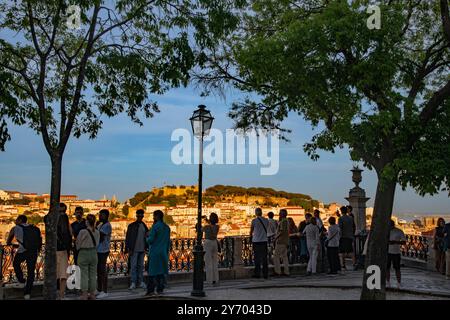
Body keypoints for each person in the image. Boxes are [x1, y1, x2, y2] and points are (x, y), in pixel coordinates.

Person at [6, 215, 42, 300]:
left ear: (20, 220)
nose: (15, 221)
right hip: (33, 251)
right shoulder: (34, 228)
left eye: (17, 219)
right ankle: (27, 293)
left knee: (16, 264)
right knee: (31, 271)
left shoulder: (16, 228)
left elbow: (8, 241)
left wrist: (12, 244)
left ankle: (21, 280)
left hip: (23, 251)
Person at [146, 210, 171, 296]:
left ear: (156, 217)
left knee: (152, 272)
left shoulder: (155, 226)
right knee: (161, 272)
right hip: (163, 252)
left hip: (155, 252)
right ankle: (160, 289)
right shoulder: (167, 227)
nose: (153, 218)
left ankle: (151, 290)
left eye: (154, 216)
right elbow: (168, 242)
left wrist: (146, 237)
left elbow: (151, 240)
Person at [76, 214, 100, 300]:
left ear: (87, 222)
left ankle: (84, 295)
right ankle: (92, 294)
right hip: (94, 253)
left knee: (84, 275)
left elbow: (77, 244)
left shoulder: (83, 231)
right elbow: (97, 244)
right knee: (93, 275)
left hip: (84, 253)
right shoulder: (97, 232)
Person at [125, 209, 149, 290]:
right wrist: (128, 249)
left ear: (142, 216)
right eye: (138, 215)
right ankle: (133, 282)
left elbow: (147, 237)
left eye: (141, 216)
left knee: (140, 266)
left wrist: (146, 247)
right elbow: (127, 238)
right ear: (136, 216)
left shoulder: (144, 226)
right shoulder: (131, 226)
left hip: (142, 249)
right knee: (134, 266)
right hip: (134, 249)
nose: (140, 217)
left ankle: (140, 282)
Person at [56, 203, 72, 299]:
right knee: (62, 274)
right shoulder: (65, 219)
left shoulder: (55, 219)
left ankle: (60, 294)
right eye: (60, 211)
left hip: (60, 250)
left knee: (61, 274)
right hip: (62, 250)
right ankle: (61, 295)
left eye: (63, 211)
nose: (62, 213)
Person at [96, 209, 112, 299]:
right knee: (99, 271)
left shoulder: (107, 225)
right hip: (99, 250)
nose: (100, 216)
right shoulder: (101, 224)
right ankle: (99, 289)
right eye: (99, 215)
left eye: (102, 215)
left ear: (106, 216)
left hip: (103, 250)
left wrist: (95, 228)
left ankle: (105, 291)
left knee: (102, 271)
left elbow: (99, 236)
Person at [250, 208, 269, 279]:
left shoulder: (254, 221)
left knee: (257, 258)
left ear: (256, 213)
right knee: (264, 258)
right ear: (261, 212)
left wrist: (250, 236)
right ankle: (265, 274)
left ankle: (257, 274)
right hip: (264, 240)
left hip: (256, 241)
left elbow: (251, 230)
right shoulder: (266, 220)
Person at [387, 219, 406, 288]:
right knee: (387, 268)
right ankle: (388, 282)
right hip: (387, 252)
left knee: (397, 268)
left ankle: (399, 282)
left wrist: (395, 242)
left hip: (396, 252)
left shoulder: (399, 231)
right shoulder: (385, 232)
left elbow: (404, 242)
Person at [202, 212, 220, 285]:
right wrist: (207, 220)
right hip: (214, 243)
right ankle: (216, 279)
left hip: (207, 243)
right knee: (215, 262)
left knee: (208, 262)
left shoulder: (206, 227)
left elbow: (199, 230)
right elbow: (212, 225)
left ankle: (209, 280)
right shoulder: (217, 227)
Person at [338, 206, 355, 270]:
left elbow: (340, 228)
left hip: (343, 237)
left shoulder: (340, 219)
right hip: (350, 236)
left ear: (341, 211)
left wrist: (339, 237)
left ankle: (343, 265)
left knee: (342, 252)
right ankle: (354, 264)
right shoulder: (351, 218)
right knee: (351, 251)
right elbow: (354, 227)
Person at [273, 209, 289, 276]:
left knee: (276, 256)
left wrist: (276, 238)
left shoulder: (283, 221)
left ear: (283, 214)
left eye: (280, 213)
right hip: (285, 241)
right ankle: (286, 271)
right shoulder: (286, 221)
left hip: (280, 241)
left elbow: (281, 231)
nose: (279, 213)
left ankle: (278, 271)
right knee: (284, 257)